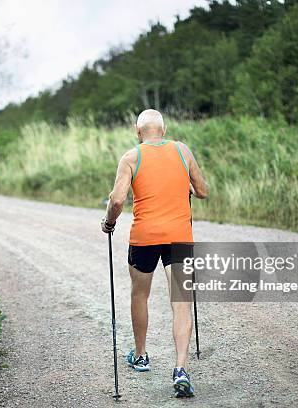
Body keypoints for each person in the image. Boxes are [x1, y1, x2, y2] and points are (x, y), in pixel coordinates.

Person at [101, 109, 209, 398]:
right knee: (181, 301)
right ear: (164, 129)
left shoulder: (131, 157)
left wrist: (109, 223)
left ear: (139, 133)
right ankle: (181, 369)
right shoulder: (182, 151)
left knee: (140, 294)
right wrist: (183, 185)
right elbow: (202, 191)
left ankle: (141, 356)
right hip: (179, 236)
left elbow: (117, 200)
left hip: (145, 237)